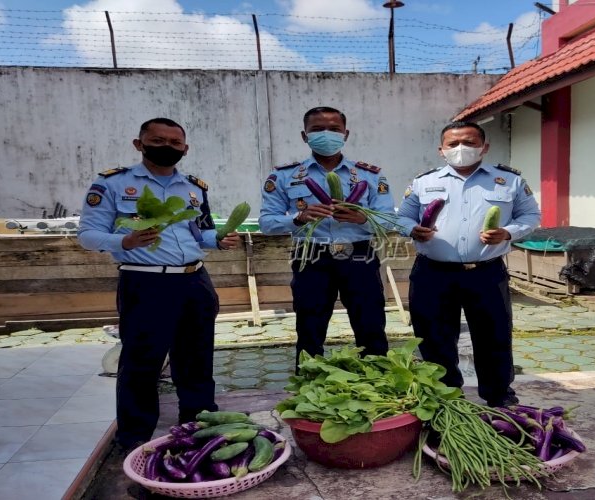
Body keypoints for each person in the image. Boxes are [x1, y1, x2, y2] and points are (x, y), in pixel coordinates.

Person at [78, 118, 241, 450]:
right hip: (145, 284)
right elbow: (87, 235)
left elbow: (200, 233)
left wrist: (219, 239)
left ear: (185, 148)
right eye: (158, 140)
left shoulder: (195, 188)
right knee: (142, 362)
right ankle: (135, 437)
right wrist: (125, 241)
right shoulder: (111, 184)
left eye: (174, 142)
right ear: (139, 144)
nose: (167, 147)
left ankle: (197, 426)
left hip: (194, 282)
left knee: (196, 360)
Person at [396, 121, 541, 408]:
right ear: (441, 150)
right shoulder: (424, 182)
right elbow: (401, 217)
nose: (461, 148)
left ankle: (499, 396)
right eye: (453, 144)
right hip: (433, 273)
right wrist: (412, 229)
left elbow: (530, 216)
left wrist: (508, 232)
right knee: (434, 338)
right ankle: (446, 396)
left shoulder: (509, 181)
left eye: (470, 142)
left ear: (484, 147)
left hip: (485, 273)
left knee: (494, 336)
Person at [259, 106, 393, 368]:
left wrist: (363, 218)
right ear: (304, 135)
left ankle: (378, 383)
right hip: (311, 255)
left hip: (359, 254)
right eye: (317, 129)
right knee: (310, 326)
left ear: (346, 133)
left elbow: (390, 219)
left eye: (333, 129)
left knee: (370, 324)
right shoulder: (284, 175)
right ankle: (309, 387)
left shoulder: (369, 175)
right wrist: (297, 218)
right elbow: (266, 222)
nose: (326, 134)